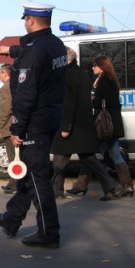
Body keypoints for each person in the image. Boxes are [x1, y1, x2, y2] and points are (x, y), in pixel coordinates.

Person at [0, 1, 67, 249]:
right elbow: (35, 53)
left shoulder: (35, 50)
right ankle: (12, 219)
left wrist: (17, 129)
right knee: (30, 173)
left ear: (31, 21)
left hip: (34, 121)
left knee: (37, 178)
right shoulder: (54, 44)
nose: (25, 22)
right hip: (50, 117)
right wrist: (11, 50)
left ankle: (49, 232)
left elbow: (25, 94)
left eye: (25, 19)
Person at [51, 48, 121, 201]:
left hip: (72, 125)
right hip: (83, 124)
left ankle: (57, 191)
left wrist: (66, 127)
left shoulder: (68, 75)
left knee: (60, 159)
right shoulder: (81, 73)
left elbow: (69, 102)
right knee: (87, 158)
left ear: (65, 59)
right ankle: (110, 186)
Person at [72, 55, 133, 197]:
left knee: (88, 152)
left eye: (95, 65)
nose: (93, 67)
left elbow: (106, 101)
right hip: (112, 123)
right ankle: (127, 186)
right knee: (114, 154)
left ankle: (83, 184)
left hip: (104, 124)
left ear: (102, 66)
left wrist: (93, 100)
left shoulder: (104, 80)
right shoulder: (110, 79)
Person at [0, 64, 16, 194]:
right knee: (14, 157)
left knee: (13, 157)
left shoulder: (6, 88)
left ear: (5, 74)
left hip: (8, 127)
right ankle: (13, 182)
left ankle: (15, 184)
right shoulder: (13, 86)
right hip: (11, 126)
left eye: (0, 73)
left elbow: (5, 109)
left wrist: (0, 125)